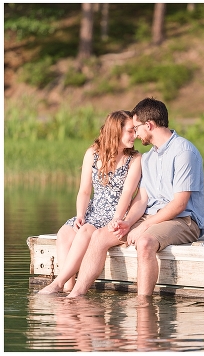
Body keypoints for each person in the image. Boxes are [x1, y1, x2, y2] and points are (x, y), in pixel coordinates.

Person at [66, 97, 204, 298]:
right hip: (150, 216)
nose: (136, 134)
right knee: (99, 236)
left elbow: (179, 204)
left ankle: (143, 305)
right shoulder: (148, 158)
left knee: (145, 242)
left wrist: (143, 227)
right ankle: (76, 295)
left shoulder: (183, 152)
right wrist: (127, 222)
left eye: (137, 128)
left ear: (149, 125)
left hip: (184, 220)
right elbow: (142, 198)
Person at [39, 111, 142, 294]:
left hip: (117, 213)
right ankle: (68, 289)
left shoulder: (134, 159)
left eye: (135, 131)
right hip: (94, 210)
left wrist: (117, 217)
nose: (135, 135)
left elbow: (127, 193)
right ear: (116, 131)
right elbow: (84, 190)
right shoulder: (93, 154)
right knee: (64, 233)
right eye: (130, 131)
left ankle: (58, 283)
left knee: (86, 230)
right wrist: (80, 214)